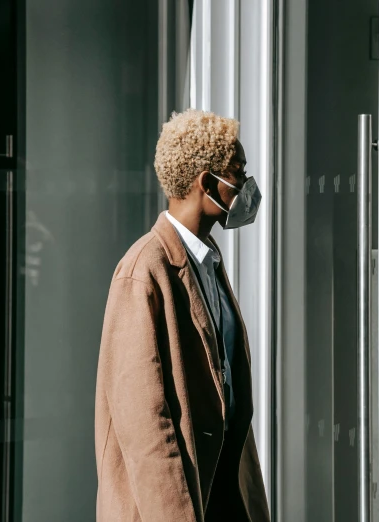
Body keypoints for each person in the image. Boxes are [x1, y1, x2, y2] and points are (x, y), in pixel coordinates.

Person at [95, 109, 270, 521]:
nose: (246, 186)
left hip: (220, 490)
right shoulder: (143, 270)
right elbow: (145, 427)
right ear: (207, 182)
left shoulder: (206, 261)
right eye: (238, 172)